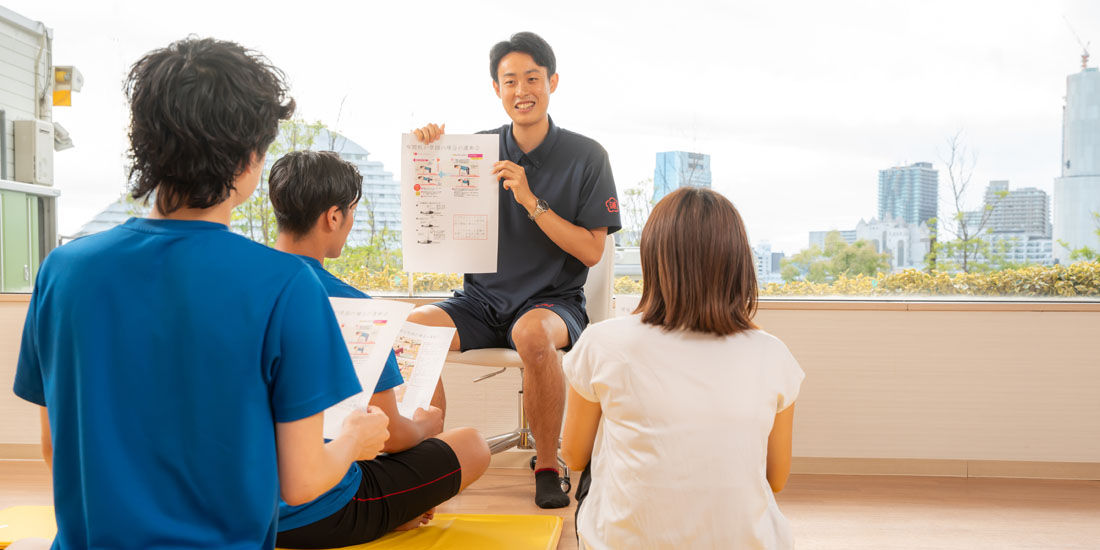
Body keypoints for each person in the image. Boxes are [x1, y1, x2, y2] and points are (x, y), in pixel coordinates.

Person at [12, 38, 389, 549]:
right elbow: (300, 482)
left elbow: (57, 450)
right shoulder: (284, 283)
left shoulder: (63, 269)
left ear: (143, 141)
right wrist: (353, 441)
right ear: (250, 158)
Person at [409, 31, 621, 509]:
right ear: (496, 89)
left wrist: (530, 200)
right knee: (414, 328)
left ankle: (548, 465)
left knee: (532, 335)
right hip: (481, 302)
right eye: (510, 81)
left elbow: (591, 252)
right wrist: (427, 153)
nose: (521, 90)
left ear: (553, 82)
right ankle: (423, 458)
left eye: (532, 78)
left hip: (552, 301)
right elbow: (432, 215)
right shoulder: (475, 149)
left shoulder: (588, 157)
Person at [560, 187, 805, 549]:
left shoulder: (603, 342)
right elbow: (777, 478)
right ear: (737, 263)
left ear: (654, 259)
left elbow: (574, 455)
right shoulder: (773, 355)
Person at [267, 150, 490, 548]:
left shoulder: (236, 288)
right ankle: (397, 513)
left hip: (243, 506)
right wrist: (426, 424)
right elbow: (390, 436)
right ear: (333, 217)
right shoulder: (354, 307)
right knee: (471, 444)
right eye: (351, 211)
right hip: (322, 512)